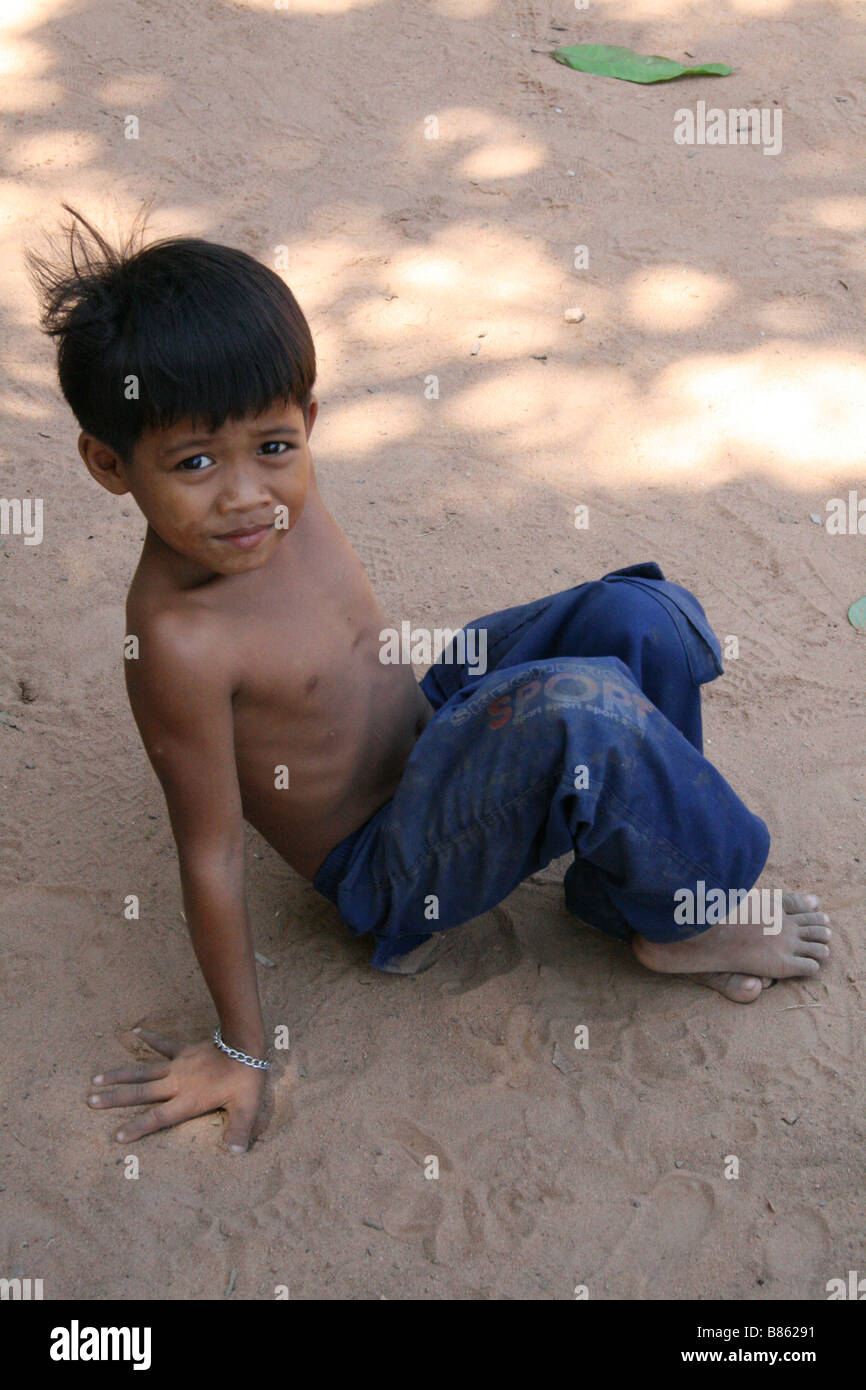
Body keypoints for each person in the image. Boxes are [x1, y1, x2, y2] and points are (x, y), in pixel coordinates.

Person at [28, 208, 831, 1154]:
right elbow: (210, 854)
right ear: (108, 466)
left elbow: (265, 463)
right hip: (392, 862)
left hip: (431, 723)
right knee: (583, 710)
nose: (245, 495)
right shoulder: (179, 642)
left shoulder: (282, 497)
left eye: (273, 446)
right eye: (194, 463)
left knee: (636, 616)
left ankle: (644, 894)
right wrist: (242, 1054)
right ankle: (682, 924)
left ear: (307, 424)